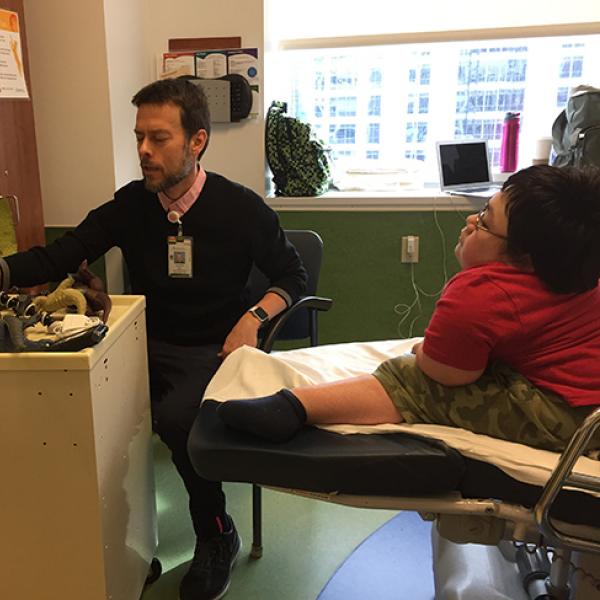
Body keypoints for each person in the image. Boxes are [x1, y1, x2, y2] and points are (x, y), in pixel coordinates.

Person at [0, 78, 307, 600]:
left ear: (197, 141)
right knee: (77, 411)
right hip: (136, 341)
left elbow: (293, 276)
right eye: (139, 136)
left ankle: (216, 534)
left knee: (177, 420)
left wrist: (254, 316)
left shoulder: (240, 208)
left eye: (158, 138)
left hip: (209, 348)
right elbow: (60, 254)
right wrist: (2, 270)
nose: (143, 150)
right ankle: (123, 550)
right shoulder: (131, 205)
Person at [218, 165, 600, 453]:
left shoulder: (482, 293)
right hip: (587, 405)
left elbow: (444, 375)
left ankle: (293, 408)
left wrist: (424, 355)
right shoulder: (577, 270)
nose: (470, 221)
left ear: (526, 257)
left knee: (414, 378)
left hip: (570, 419)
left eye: (485, 220)